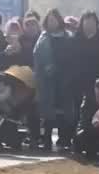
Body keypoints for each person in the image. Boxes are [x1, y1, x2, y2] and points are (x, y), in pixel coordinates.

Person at [33, 8, 77, 150]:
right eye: (50, 20)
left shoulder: (69, 37)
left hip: (65, 78)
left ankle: (64, 139)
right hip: (47, 79)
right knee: (48, 111)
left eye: (55, 19)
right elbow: (37, 56)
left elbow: (73, 57)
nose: (52, 22)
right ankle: (46, 139)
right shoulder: (43, 37)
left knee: (65, 111)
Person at [72, 11, 99, 133]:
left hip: (95, 84)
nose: (88, 25)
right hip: (77, 83)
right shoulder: (75, 41)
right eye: (86, 22)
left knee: (94, 114)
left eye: (92, 22)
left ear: (97, 24)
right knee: (76, 112)